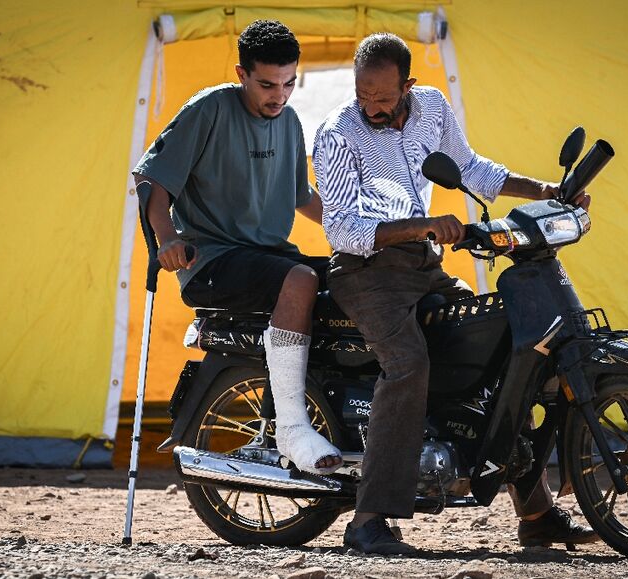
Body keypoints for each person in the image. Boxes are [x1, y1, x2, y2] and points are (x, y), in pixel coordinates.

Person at [313, 33, 598, 554]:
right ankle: (367, 519)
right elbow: (343, 230)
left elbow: (470, 168)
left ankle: (535, 515)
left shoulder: (433, 108)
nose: (371, 106)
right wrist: (420, 224)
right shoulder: (336, 133)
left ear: (408, 85)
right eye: (363, 95)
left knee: (495, 350)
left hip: (424, 264)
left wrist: (546, 191)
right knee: (408, 365)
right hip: (365, 274)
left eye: (382, 95)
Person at [133, 20, 341, 475]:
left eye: (289, 84)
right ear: (241, 74)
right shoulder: (209, 109)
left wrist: (358, 234)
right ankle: (290, 425)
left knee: (353, 277)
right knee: (301, 278)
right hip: (212, 261)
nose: (278, 95)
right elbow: (151, 178)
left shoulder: (289, 122)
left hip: (269, 258)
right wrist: (167, 239)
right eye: (266, 84)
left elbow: (301, 197)